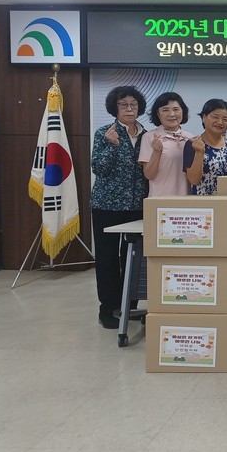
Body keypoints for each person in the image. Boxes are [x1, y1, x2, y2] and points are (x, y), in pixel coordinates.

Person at [91, 86, 149, 329]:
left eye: (133, 104)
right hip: (107, 205)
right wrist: (112, 146)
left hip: (137, 206)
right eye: (123, 105)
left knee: (133, 258)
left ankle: (129, 305)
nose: (129, 109)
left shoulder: (148, 136)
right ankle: (107, 308)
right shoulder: (105, 133)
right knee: (107, 259)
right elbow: (99, 168)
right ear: (114, 108)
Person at [138, 92, 193, 196]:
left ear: (183, 111)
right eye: (165, 110)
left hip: (186, 199)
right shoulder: (149, 137)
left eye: (176, 109)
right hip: (160, 199)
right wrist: (157, 152)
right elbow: (149, 175)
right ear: (158, 114)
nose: (172, 114)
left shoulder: (190, 138)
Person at [183, 99, 227, 195]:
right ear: (204, 118)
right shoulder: (193, 144)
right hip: (203, 202)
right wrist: (199, 152)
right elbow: (193, 180)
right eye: (215, 117)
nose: (220, 122)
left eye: (225, 119)